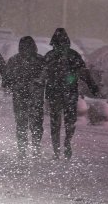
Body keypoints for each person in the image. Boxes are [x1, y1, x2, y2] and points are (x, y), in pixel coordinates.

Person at [41, 28, 100, 159]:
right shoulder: (73, 55)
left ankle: (57, 151)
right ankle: (67, 144)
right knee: (69, 121)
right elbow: (84, 73)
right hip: (69, 93)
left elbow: (41, 76)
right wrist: (93, 86)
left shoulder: (50, 56)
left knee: (55, 122)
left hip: (54, 93)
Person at [3, 36, 45, 159]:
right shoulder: (40, 60)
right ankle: (35, 148)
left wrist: (15, 84)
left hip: (21, 98)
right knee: (35, 125)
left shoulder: (14, 60)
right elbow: (47, 76)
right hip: (34, 98)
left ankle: (23, 150)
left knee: (22, 124)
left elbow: (6, 81)